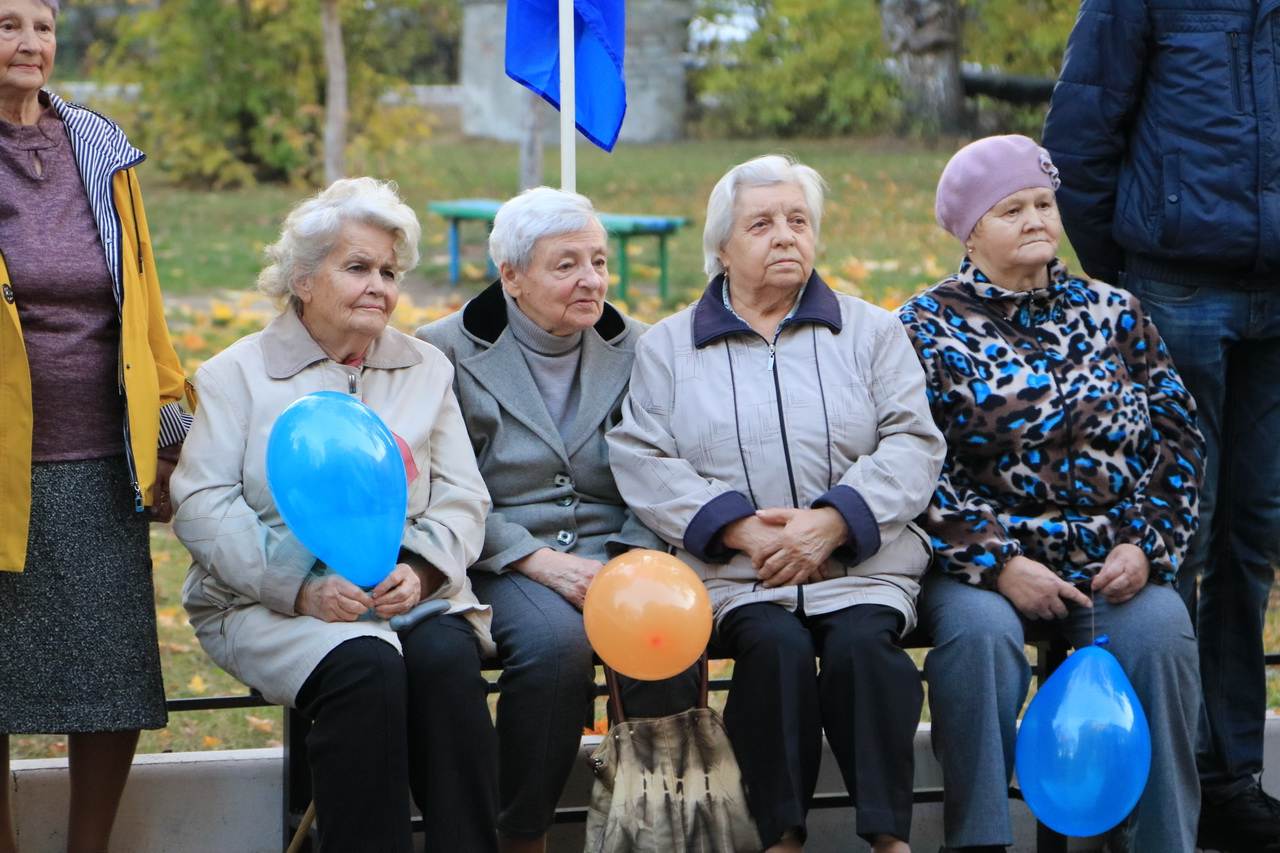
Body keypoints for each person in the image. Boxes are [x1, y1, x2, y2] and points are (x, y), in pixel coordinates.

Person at [607, 154, 946, 853]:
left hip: (860, 566)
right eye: (761, 224)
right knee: (776, 652)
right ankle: (781, 836)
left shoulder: (871, 330)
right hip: (740, 578)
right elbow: (642, 455)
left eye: (799, 221)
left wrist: (833, 522)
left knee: (864, 652)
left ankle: (890, 838)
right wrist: (738, 530)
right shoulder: (670, 346)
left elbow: (913, 441)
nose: (785, 236)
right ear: (722, 249)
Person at [896, 134, 1204, 853]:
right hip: (981, 565)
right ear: (970, 233)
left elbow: (1180, 440)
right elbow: (912, 465)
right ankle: (980, 840)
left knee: (1159, 633)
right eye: (1012, 209)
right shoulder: (924, 326)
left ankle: (1165, 842)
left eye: (1043, 202)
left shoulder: (1114, 311)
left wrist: (1145, 546)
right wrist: (1000, 563)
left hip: (1110, 560)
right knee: (981, 638)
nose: (1036, 218)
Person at [171, 178, 498, 853]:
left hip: (401, 596)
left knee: (446, 665)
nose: (379, 284)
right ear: (303, 279)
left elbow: (464, 496)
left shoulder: (425, 368)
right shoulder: (237, 375)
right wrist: (303, 585)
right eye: (357, 267)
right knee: (365, 668)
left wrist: (421, 571)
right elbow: (201, 504)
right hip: (263, 603)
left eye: (388, 270)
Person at [1043, 5, 1280, 847]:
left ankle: (1230, 774)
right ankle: (1159, 780)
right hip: (1176, 287)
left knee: (1251, 539)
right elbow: (1078, 134)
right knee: (1175, 534)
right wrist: (1132, 269)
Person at [417, 186, 697, 853]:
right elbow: (437, 488)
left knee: (667, 640)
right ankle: (523, 831)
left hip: (623, 546)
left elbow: (666, 468)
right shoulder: (443, 352)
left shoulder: (641, 349)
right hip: (504, 553)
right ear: (512, 275)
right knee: (556, 648)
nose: (592, 279)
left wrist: (628, 552)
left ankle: (659, 831)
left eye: (598, 261)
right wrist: (530, 558)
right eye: (566, 263)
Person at [0, 1, 190, 849]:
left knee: (109, 678)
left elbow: (141, 294)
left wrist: (172, 430)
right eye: (6, 24)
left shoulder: (98, 148)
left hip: (100, 457)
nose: (29, 43)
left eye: (40, 26)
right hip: (5, 463)